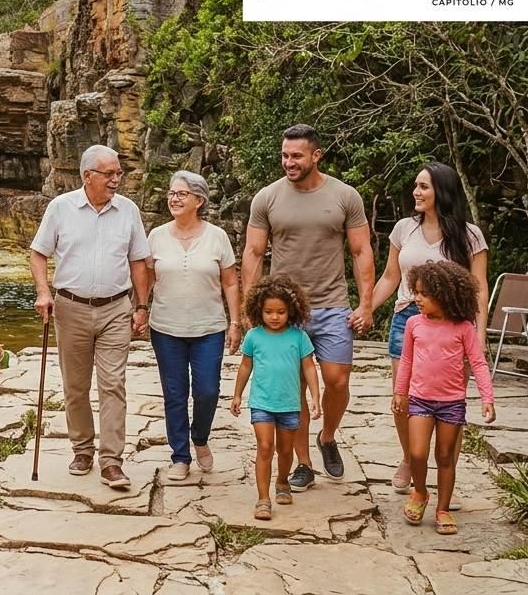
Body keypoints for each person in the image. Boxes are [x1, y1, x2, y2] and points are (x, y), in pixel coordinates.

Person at [241, 124, 375, 492]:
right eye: (285, 155)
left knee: (337, 379)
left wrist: (366, 304)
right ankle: (303, 462)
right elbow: (253, 253)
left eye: (296, 156)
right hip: (285, 311)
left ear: (316, 155)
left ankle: (327, 436)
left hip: (332, 303)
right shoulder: (267, 198)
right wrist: (248, 308)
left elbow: (361, 251)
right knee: (293, 389)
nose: (289, 162)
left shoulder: (345, 196)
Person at [30, 144, 151, 490]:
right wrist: (43, 292)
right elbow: (38, 254)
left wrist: (141, 306)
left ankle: (112, 461)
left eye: (118, 173)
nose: (117, 179)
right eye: (109, 174)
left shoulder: (128, 210)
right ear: (88, 176)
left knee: (113, 384)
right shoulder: (60, 208)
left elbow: (138, 261)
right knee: (76, 386)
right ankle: (82, 449)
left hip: (116, 307)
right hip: (71, 307)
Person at [372, 161, 489, 497]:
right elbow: (390, 277)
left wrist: (479, 334)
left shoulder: (469, 236)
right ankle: (410, 457)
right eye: (415, 185)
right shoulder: (403, 229)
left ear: (442, 191)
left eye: (423, 186)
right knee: (404, 396)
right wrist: (366, 308)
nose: (416, 192)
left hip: (455, 323)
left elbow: (479, 286)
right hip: (407, 318)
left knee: (451, 400)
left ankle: (446, 475)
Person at [145, 170, 242, 482]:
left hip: (209, 329)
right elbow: (146, 279)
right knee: (174, 393)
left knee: (207, 391)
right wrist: (138, 309)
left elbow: (230, 282)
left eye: (182, 194)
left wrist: (235, 322)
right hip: (165, 328)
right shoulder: (156, 236)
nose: (174, 198)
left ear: (199, 200)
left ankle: (200, 437)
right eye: (172, 193)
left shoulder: (217, 237)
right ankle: (180, 456)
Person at [392, 260, 495, 536]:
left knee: (446, 456)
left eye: (424, 294)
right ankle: (421, 492)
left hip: (451, 403)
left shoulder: (463, 328)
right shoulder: (414, 324)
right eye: (416, 292)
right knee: (416, 452)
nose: (417, 299)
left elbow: (479, 363)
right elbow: (406, 361)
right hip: (420, 399)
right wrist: (400, 392)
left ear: (445, 295)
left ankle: (443, 508)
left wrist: (487, 397)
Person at [230, 274, 322, 521]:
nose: (274, 317)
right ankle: (263, 498)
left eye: (280, 312)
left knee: (284, 449)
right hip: (261, 403)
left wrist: (315, 397)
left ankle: (282, 481)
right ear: (258, 309)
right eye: (269, 311)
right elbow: (245, 366)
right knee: (265, 447)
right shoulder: (254, 337)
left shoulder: (299, 337)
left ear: (291, 310)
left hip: (290, 405)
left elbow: (309, 367)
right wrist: (237, 394)